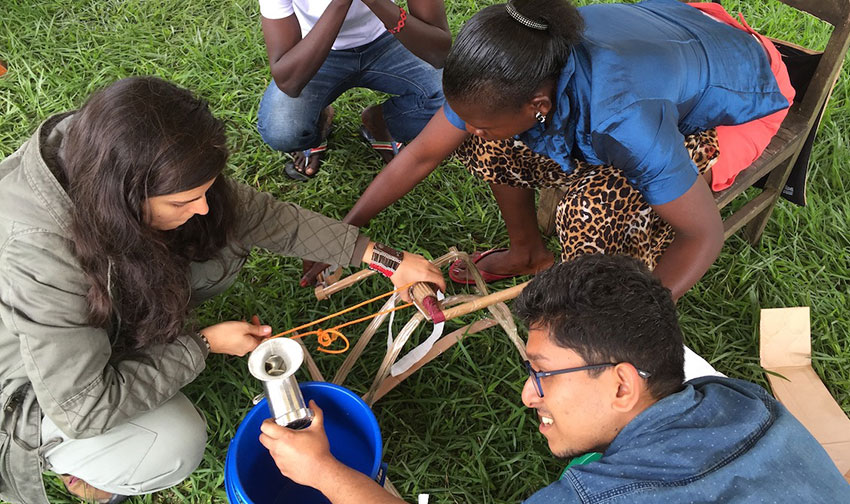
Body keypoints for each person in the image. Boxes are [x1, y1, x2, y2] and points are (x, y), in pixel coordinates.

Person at [0, 76, 444, 504]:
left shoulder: (117, 150)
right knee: (173, 442)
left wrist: (384, 258)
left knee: (221, 241)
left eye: (204, 190)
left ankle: (124, 341)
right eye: (181, 202)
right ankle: (79, 465)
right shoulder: (40, 254)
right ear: (122, 197)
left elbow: (265, 217)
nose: (203, 207)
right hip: (29, 385)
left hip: (78, 327)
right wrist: (202, 344)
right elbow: (83, 407)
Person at [260, 254, 850, 503]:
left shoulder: (594, 497)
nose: (526, 394)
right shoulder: (742, 400)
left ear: (622, 384)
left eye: (542, 374)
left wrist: (320, 470)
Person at [312, 0, 796, 301]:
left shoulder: (623, 119)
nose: (470, 128)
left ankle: (594, 301)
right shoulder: (506, 70)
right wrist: (341, 234)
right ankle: (528, 253)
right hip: (673, 27)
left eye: (479, 121)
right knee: (489, 149)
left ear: (539, 104)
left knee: (592, 207)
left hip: (741, 91)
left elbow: (701, 233)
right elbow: (421, 153)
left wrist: (625, 327)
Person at [256, 0, 450, 181]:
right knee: (282, 129)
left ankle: (380, 123)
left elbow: (438, 51)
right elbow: (289, 82)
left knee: (454, 95)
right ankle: (320, 122)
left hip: (388, 39)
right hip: (315, 49)